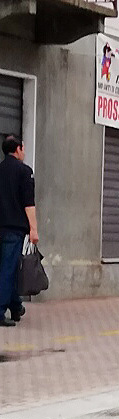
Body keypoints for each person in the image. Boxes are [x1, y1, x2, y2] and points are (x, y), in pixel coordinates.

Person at [0, 135, 37, 326]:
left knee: (10, 268)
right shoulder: (24, 172)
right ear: (18, 149)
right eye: (23, 148)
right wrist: (34, 229)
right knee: (7, 270)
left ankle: (16, 307)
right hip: (13, 230)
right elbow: (28, 204)